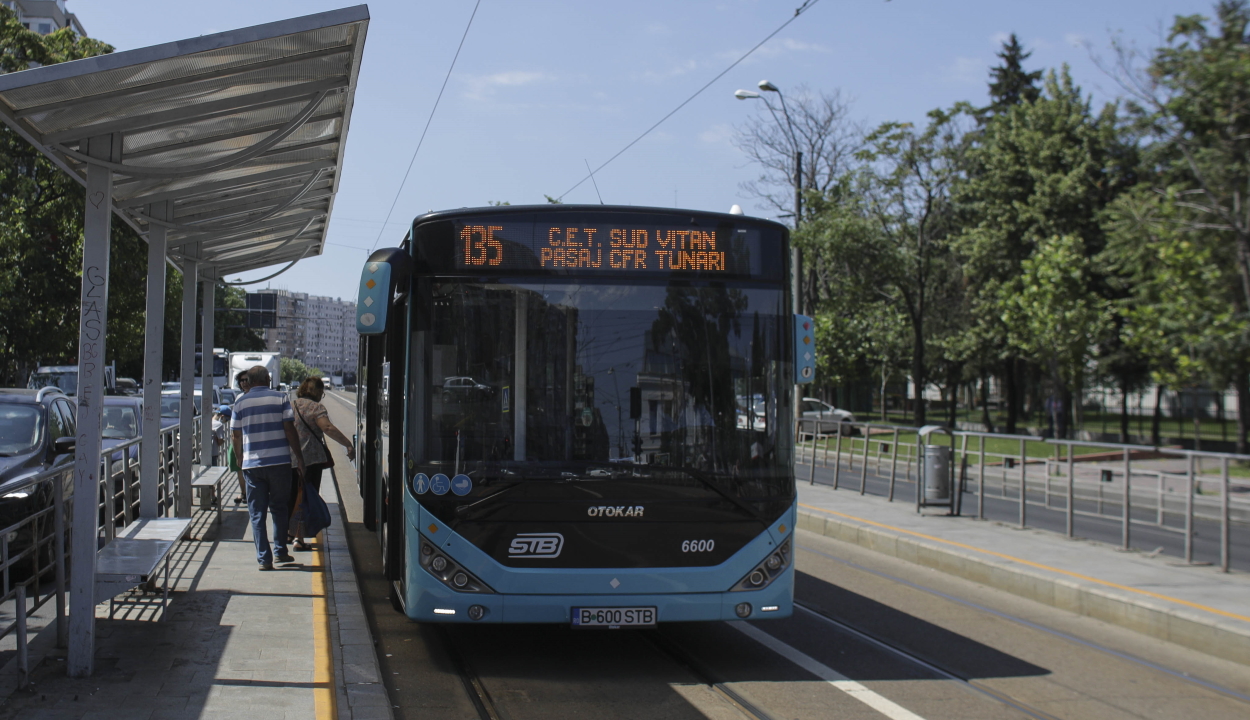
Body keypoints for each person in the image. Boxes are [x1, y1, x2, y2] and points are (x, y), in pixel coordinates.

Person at [231, 366, 305, 570]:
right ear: (266, 379)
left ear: (251, 381)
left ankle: (264, 558)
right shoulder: (280, 398)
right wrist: (299, 457)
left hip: (252, 465)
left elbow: (235, 435)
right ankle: (281, 551)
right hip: (280, 463)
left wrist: (239, 456)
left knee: (257, 513)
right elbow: (289, 429)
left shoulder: (240, 401)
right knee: (280, 508)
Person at [290, 376, 355, 550]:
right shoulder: (316, 408)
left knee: (291, 496)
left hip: (290, 460)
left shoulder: (291, 405)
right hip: (311, 461)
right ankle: (298, 537)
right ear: (317, 391)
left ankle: (287, 533)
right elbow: (327, 427)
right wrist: (347, 444)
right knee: (306, 498)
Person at [230, 371, 251, 504]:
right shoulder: (238, 398)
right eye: (241, 380)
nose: (243, 383)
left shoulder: (256, 397)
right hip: (240, 437)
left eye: (246, 380)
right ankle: (244, 493)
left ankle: (250, 494)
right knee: (239, 467)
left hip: (251, 438)